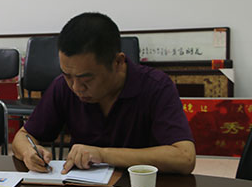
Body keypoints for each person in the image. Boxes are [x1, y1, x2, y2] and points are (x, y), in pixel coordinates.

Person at [12, 12, 195, 175]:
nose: (76, 87)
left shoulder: (155, 86)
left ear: (118, 62)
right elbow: (23, 135)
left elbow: (184, 157)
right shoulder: (63, 86)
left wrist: (103, 154)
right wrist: (29, 152)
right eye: (67, 75)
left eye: (87, 79)